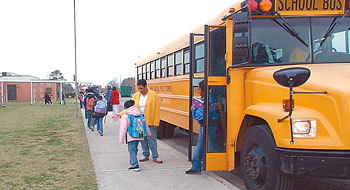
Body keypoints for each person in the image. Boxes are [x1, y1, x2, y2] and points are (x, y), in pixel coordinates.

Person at [114, 79, 162, 163]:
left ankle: (155, 156)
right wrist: (120, 114)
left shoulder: (153, 95)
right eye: (138, 88)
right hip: (139, 121)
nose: (140, 90)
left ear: (146, 86)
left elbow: (157, 109)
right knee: (142, 139)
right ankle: (145, 154)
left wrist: (156, 122)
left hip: (150, 120)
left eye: (141, 88)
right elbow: (130, 108)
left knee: (152, 139)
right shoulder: (136, 96)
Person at [119, 100, 151, 172]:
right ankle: (133, 162)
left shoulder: (125, 116)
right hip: (139, 135)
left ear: (125, 107)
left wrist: (121, 139)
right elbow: (144, 125)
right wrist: (148, 134)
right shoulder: (139, 114)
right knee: (135, 149)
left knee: (132, 150)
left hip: (131, 136)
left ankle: (134, 165)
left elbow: (123, 128)